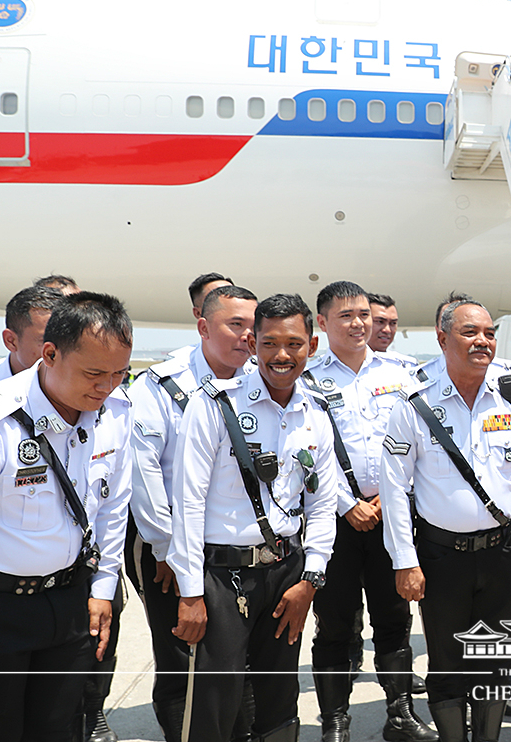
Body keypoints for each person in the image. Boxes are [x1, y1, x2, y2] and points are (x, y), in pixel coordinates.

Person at [0, 292, 134, 742]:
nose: (107, 387)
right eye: (94, 373)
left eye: (120, 373)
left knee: (59, 730)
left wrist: (102, 589)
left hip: (69, 605)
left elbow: (113, 508)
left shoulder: (114, 413)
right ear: (50, 353)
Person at [169, 294, 342, 742]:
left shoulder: (316, 413)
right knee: (215, 700)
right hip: (222, 578)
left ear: (313, 345)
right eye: (268, 343)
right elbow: (187, 503)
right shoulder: (214, 406)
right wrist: (190, 592)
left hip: (287, 574)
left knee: (279, 697)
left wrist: (311, 581)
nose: (281, 355)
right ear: (252, 342)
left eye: (294, 343)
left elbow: (322, 505)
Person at [379, 298, 511, 742]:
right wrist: (404, 559)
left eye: (489, 333)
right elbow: (394, 487)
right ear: (442, 338)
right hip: (441, 557)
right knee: (447, 662)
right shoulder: (414, 400)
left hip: (503, 553)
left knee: (497, 662)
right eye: (470, 332)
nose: (483, 341)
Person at [304, 282, 436, 742]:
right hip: (334, 523)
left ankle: (399, 714)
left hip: (393, 517)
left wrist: (389, 499)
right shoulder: (308, 380)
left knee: (395, 620)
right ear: (322, 322)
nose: (359, 324)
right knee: (335, 624)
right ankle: (335, 721)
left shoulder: (402, 375)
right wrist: (348, 504)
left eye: (364, 314)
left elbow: (421, 445)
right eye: (346, 316)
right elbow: (306, 452)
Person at [127, 285, 258, 741]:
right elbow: (145, 475)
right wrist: (171, 552)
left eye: (252, 326)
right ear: (203, 326)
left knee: (235, 662)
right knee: (184, 660)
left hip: (237, 554)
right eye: (235, 325)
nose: (247, 337)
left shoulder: (261, 382)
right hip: (170, 549)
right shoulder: (162, 385)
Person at [0, 285, 65, 394]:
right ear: (11, 341)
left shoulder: (81, 392)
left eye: (68, 340)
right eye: (46, 341)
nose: (62, 351)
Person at [368, 293, 418, 367]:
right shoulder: (347, 366)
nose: (387, 330)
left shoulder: (407, 367)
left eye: (393, 323)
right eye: (380, 322)